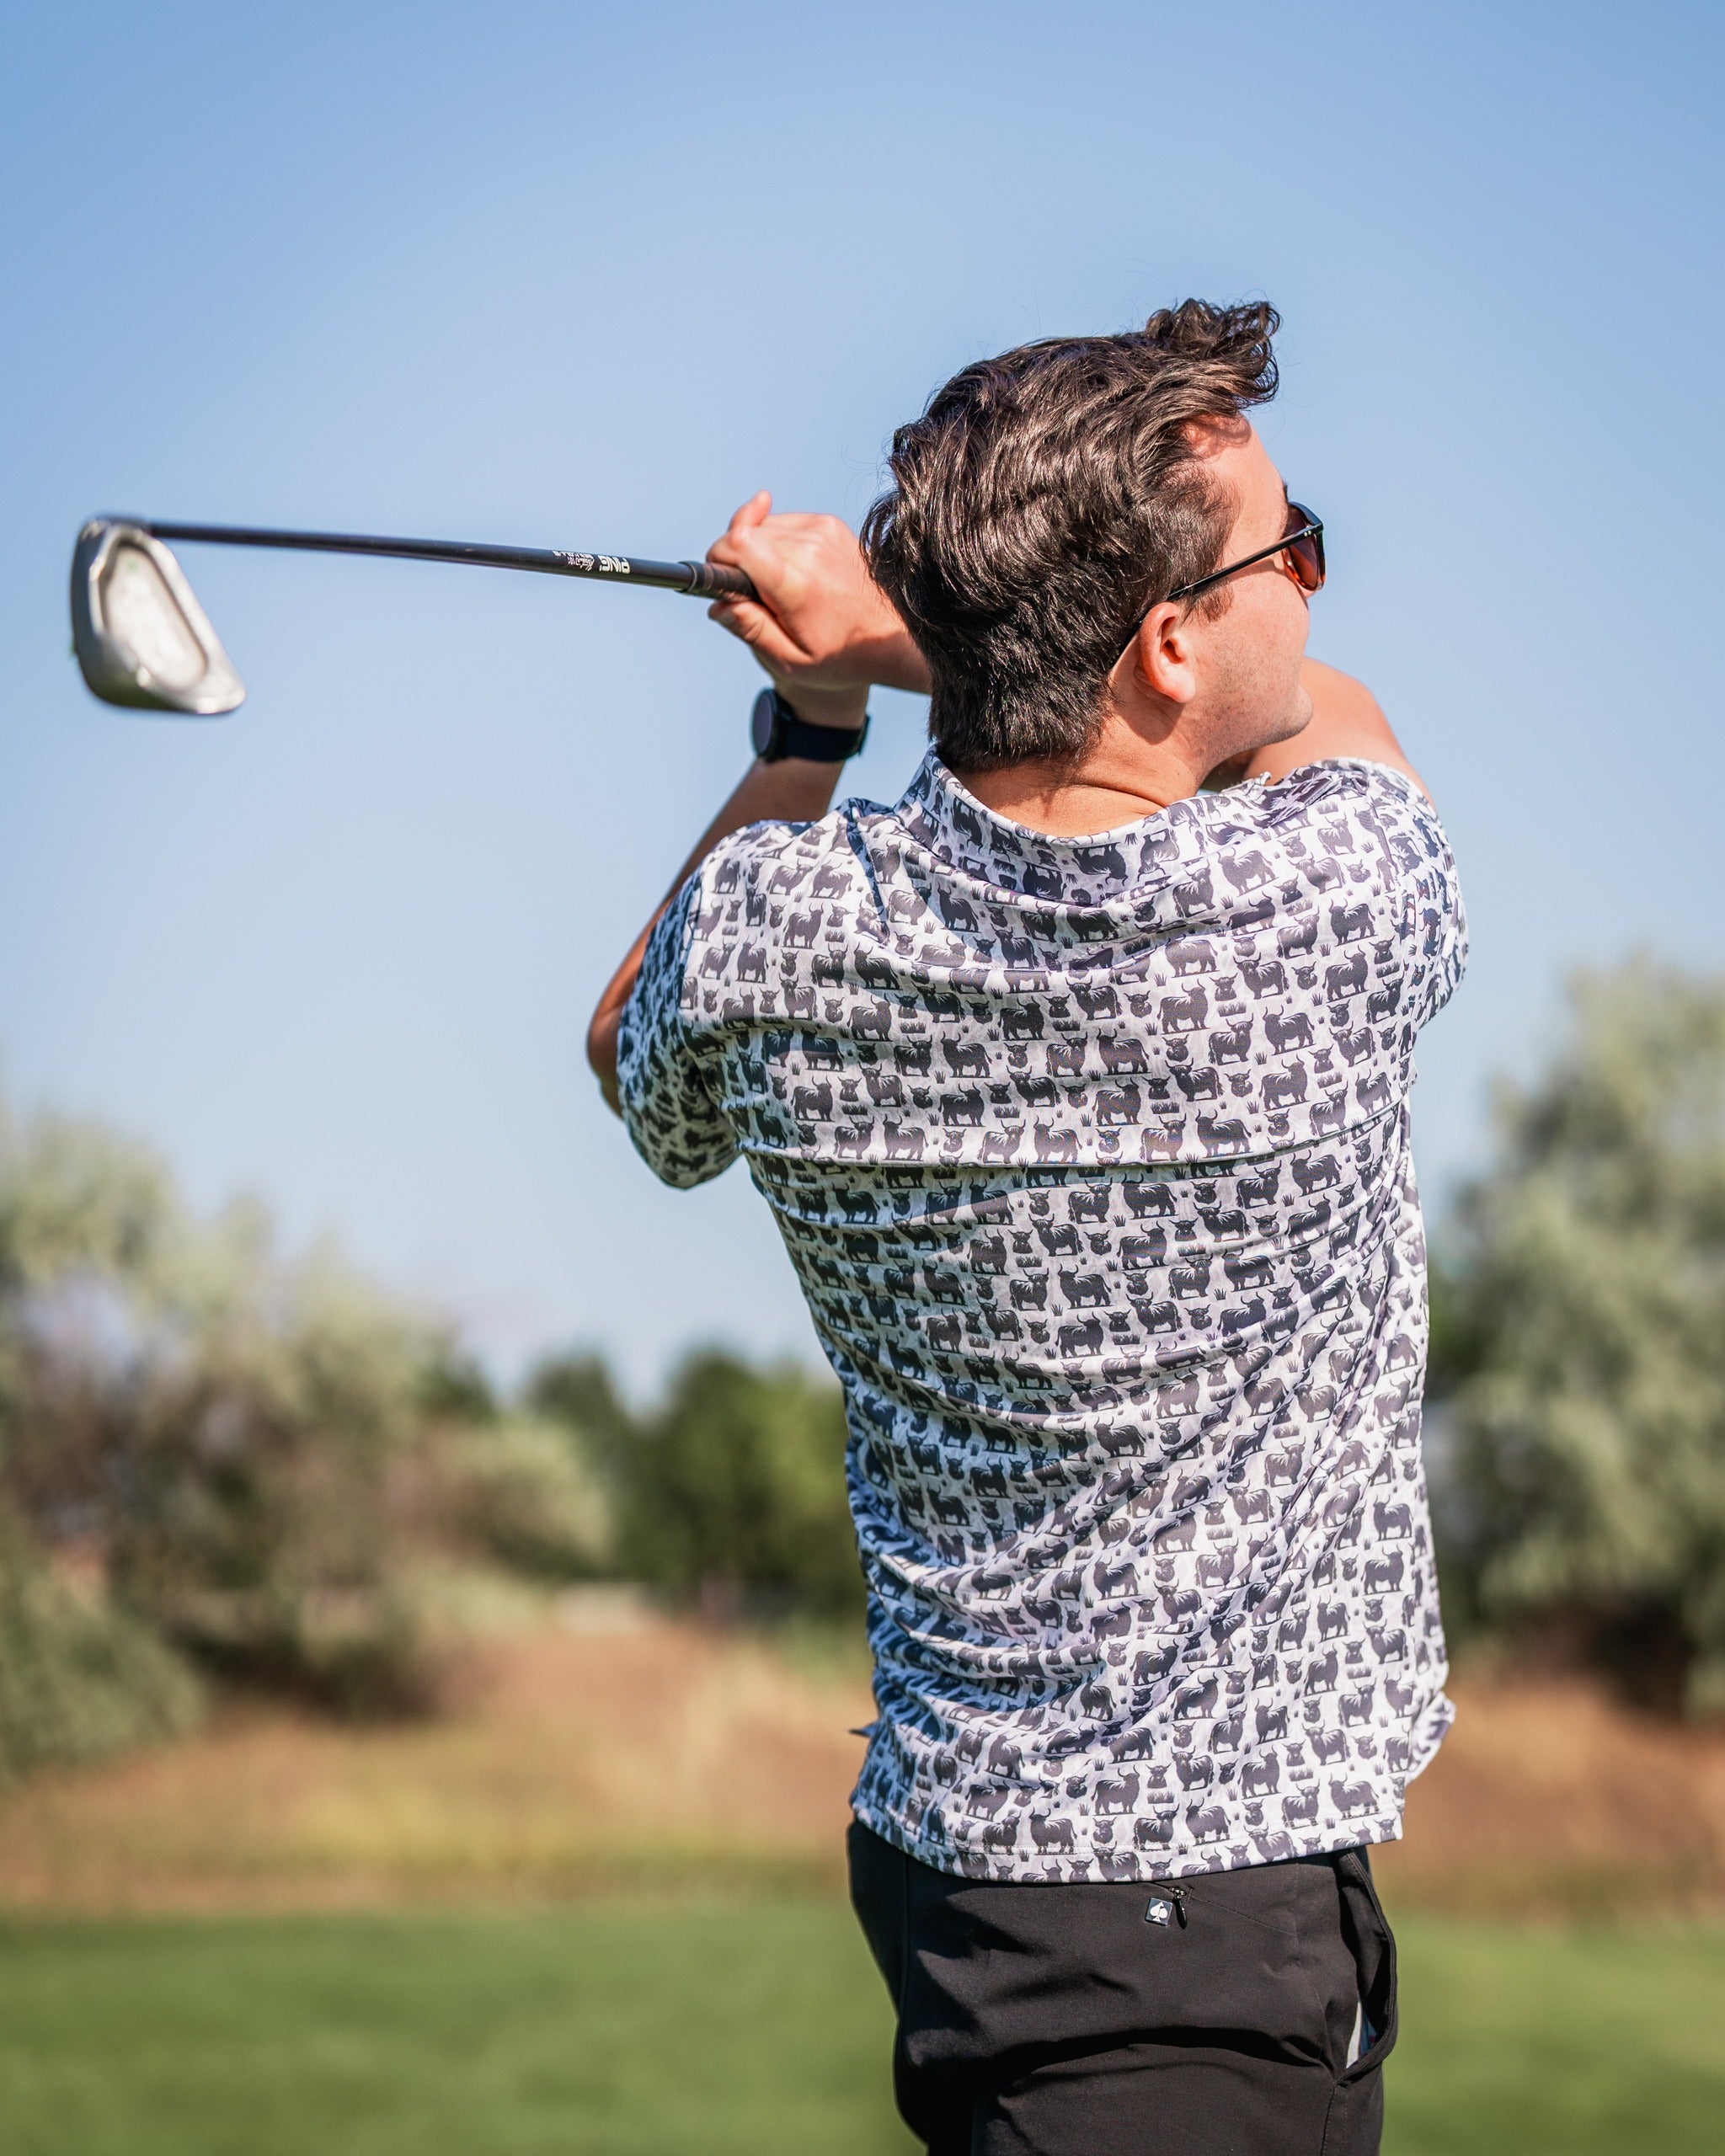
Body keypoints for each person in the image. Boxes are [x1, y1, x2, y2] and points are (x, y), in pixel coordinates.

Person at [588, 300, 1466, 2156]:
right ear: (1169, 642)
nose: (1311, 588)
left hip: (958, 1887)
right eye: (1290, 550)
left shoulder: (776, 939)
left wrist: (816, 718)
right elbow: (1347, 725)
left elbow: (631, 1055)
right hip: (1205, 1945)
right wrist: (904, 644)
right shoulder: (1331, 908)